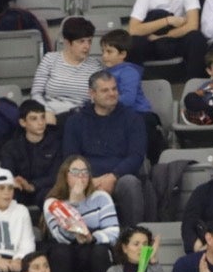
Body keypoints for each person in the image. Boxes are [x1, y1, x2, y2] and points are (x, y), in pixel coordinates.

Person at [63, 72, 149, 226]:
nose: (112, 94)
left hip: (120, 177)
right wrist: (89, 180)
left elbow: (136, 156)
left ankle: (135, 236)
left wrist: (113, 177)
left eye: (114, 89)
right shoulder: (76, 121)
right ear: (92, 93)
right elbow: (71, 158)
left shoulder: (132, 118)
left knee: (130, 184)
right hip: (86, 178)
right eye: (105, 90)